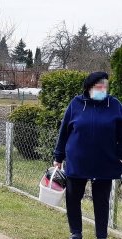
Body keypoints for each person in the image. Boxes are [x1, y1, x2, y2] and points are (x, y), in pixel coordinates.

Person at [53, 71, 122, 239]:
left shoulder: (114, 105)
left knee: (101, 201)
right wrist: (58, 156)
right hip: (78, 161)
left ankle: (101, 235)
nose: (103, 89)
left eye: (105, 86)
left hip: (105, 161)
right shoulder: (76, 104)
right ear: (89, 88)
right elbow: (64, 131)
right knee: (73, 197)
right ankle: (76, 232)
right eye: (99, 86)